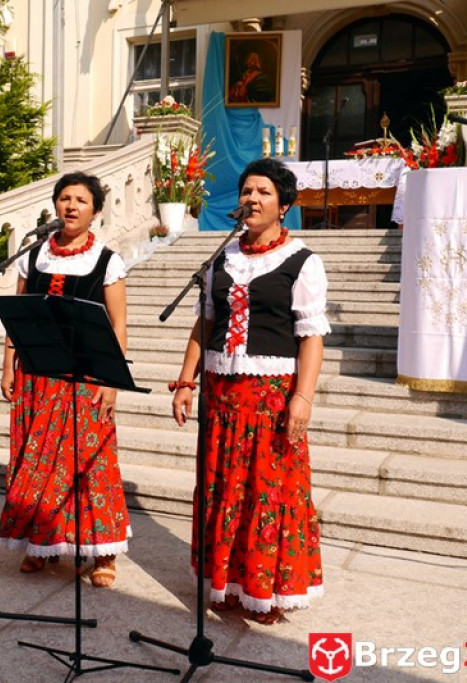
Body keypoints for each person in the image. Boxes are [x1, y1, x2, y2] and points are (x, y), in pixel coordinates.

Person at [171, 157, 329, 624]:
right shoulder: (221, 258)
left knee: (267, 491)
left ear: (283, 205)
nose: (252, 199)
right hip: (220, 394)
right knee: (223, 489)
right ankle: (229, 582)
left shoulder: (302, 261)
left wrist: (303, 397)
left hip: (271, 396)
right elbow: (205, 323)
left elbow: (312, 336)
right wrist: (185, 381)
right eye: (245, 191)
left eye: (262, 192)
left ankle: (269, 587)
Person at [0, 172, 130, 588]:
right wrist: (7, 364)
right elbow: (17, 315)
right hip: (36, 374)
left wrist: (111, 379)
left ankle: (102, 551)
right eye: (64, 198)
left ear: (96, 211)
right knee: (34, 460)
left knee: (91, 464)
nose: (71, 206)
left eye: (81, 200)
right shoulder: (32, 255)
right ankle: (43, 543)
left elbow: (119, 325)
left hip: (86, 374)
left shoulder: (107, 261)